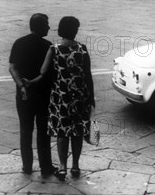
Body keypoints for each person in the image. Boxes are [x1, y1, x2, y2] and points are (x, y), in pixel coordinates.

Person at [25, 17, 95, 181]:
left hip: (61, 97)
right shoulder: (82, 49)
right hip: (79, 97)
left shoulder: (54, 49)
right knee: (77, 131)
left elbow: (43, 72)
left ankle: (62, 167)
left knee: (62, 132)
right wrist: (91, 96)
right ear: (74, 30)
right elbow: (88, 75)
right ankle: (75, 166)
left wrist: (30, 82)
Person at [9, 14, 55, 177]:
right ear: (41, 26)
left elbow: (12, 68)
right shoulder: (48, 46)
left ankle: (27, 166)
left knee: (25, 130)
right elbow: (49, 73)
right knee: (43, 131)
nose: (49, 27)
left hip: (24, 94)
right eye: (47, 24)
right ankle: (45, 166)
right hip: (43, 94)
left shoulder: (19, 43)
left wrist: (21, 85)